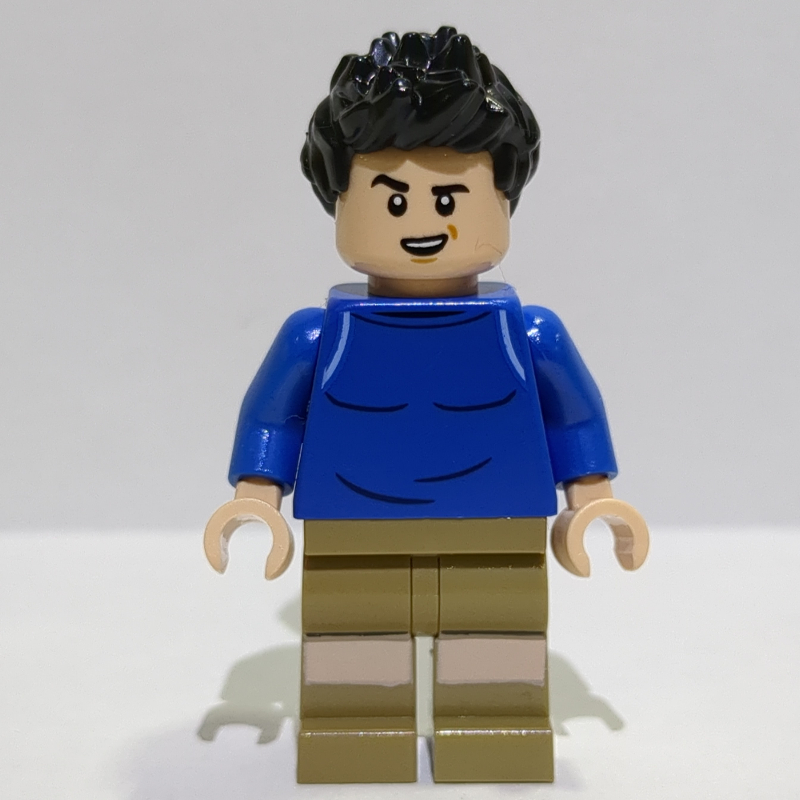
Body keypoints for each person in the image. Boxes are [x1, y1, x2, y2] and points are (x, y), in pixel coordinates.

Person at [204, 27, 648, 784]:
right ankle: (355, 734)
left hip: (498, 521)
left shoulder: (529, 331)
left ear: (503, 200)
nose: (422, 221)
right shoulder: (317, 334)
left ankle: (494, 730)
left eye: (449, 198)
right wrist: (255, 498)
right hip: (352, 523)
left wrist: (592, 501)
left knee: (496, 641)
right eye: (392, 198)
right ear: (339, 201)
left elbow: (572, 417)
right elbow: (273, 417)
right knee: (353, 644)